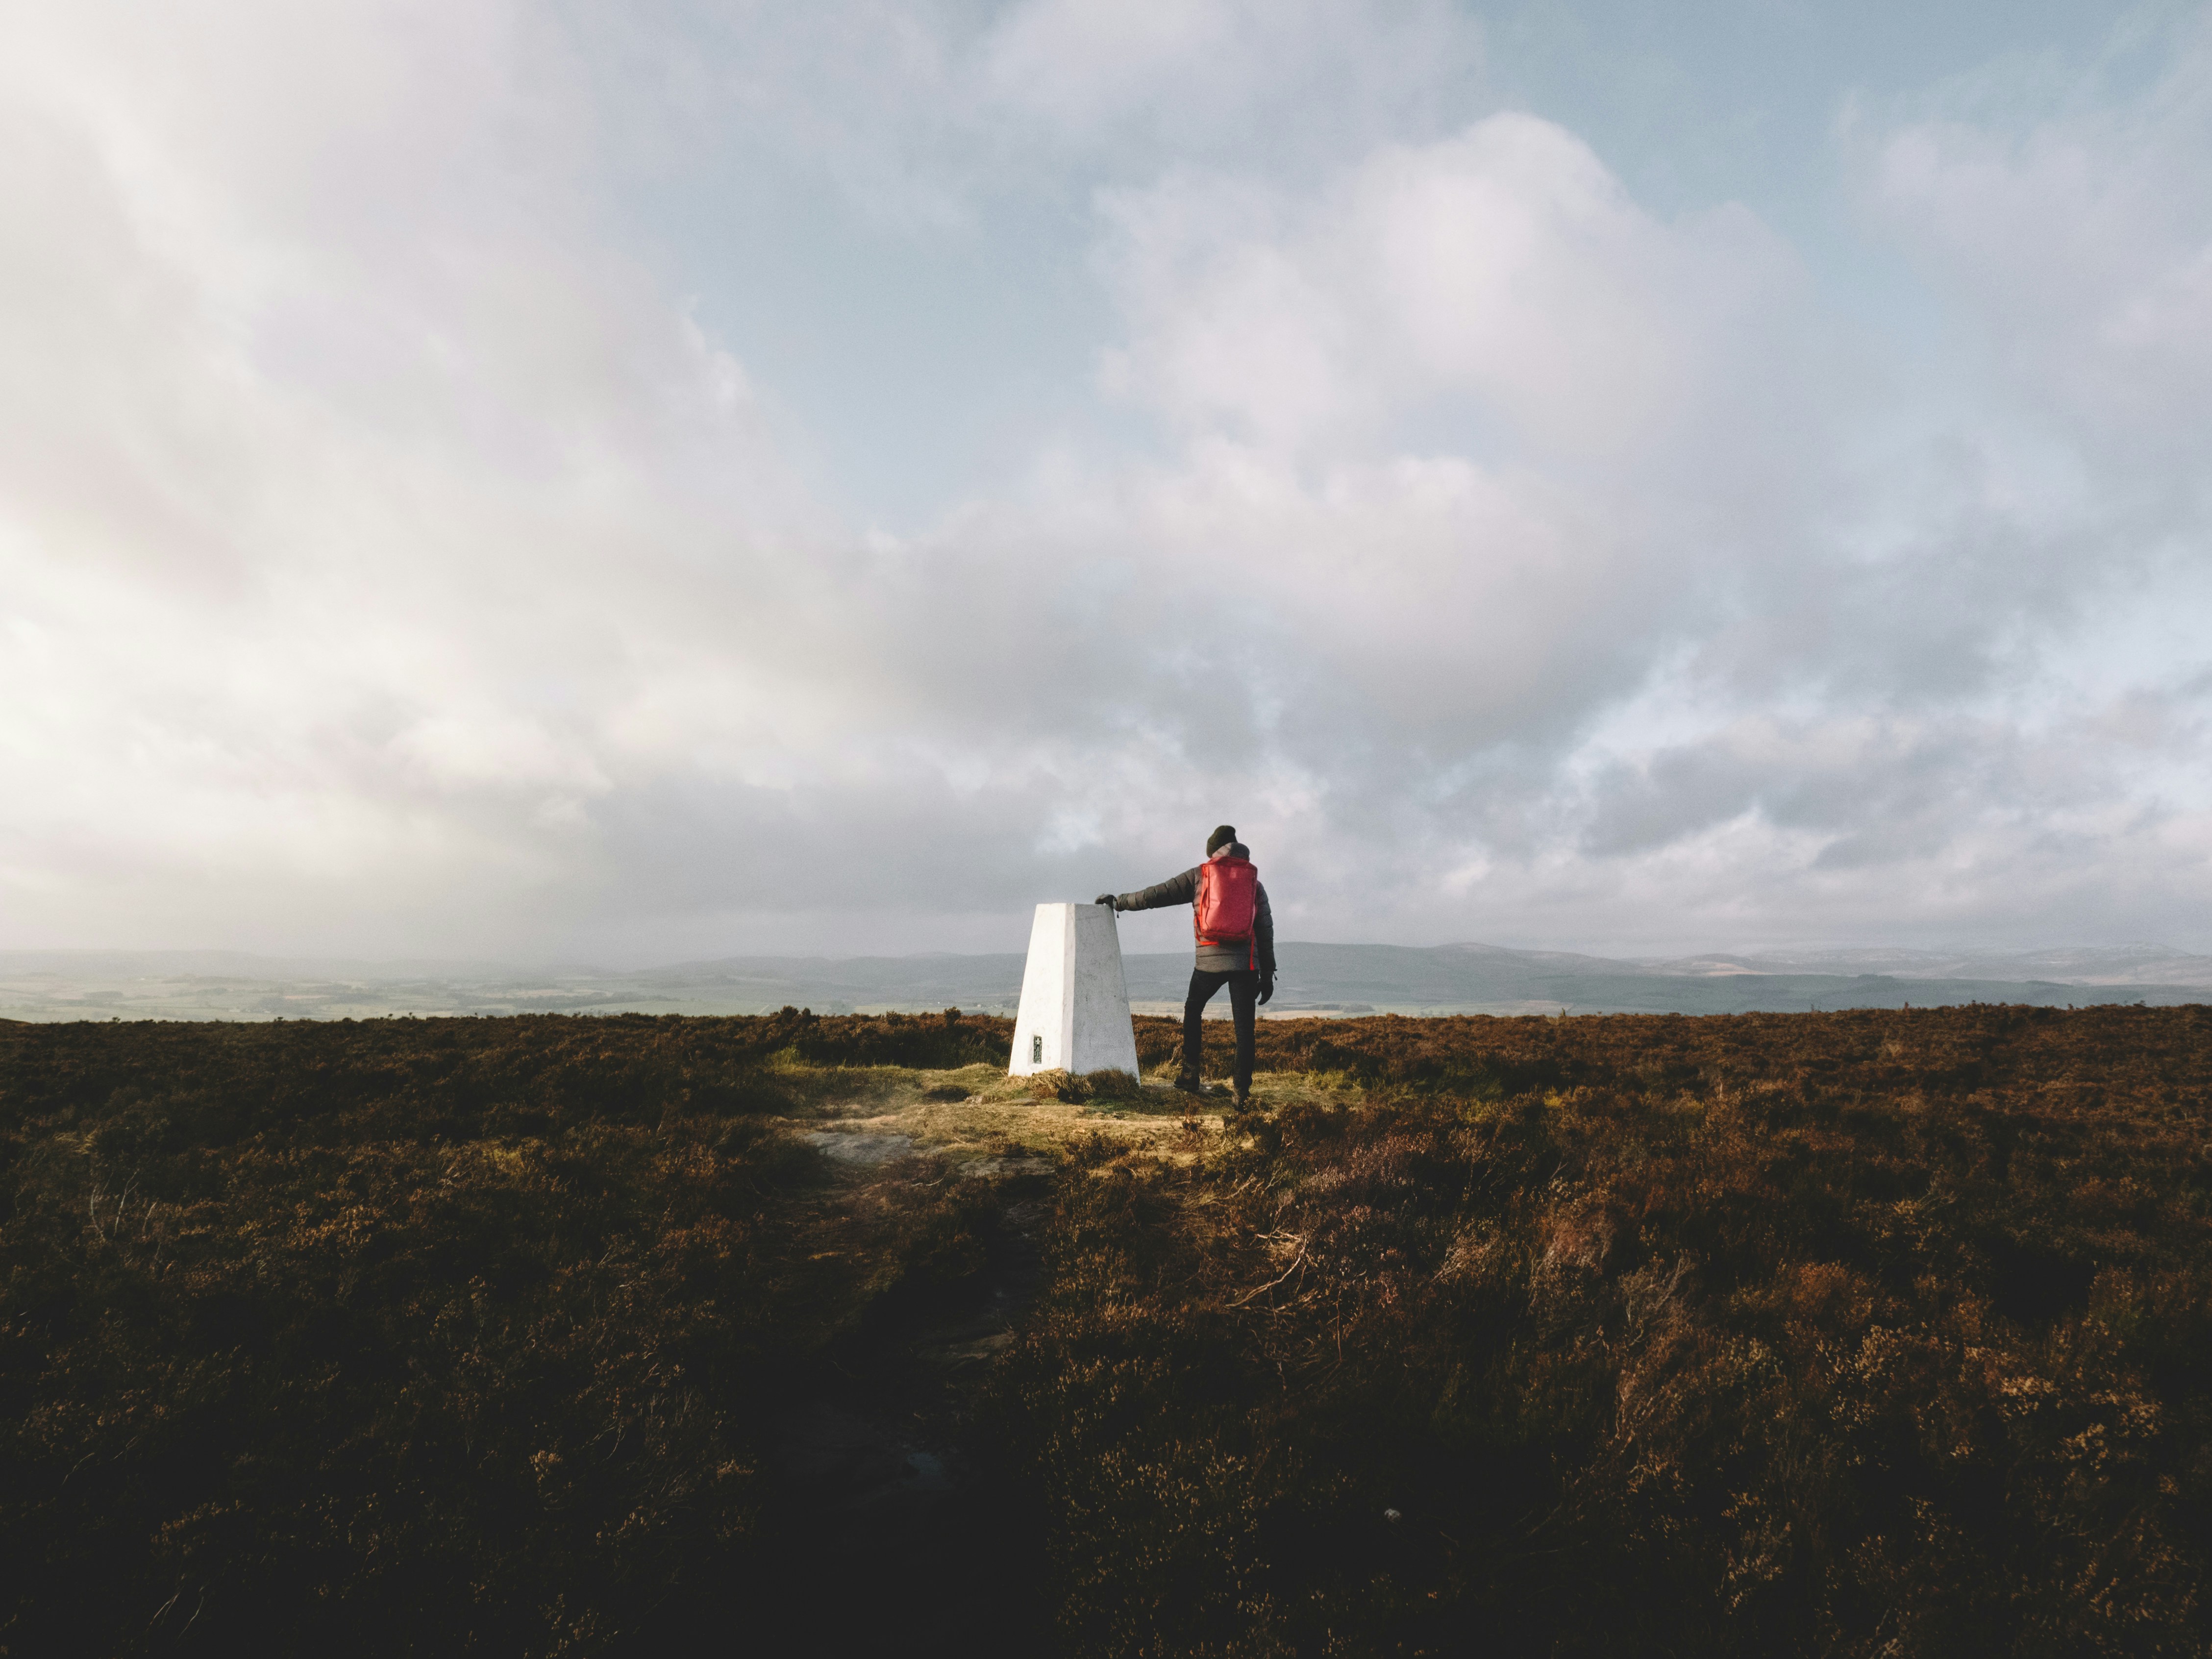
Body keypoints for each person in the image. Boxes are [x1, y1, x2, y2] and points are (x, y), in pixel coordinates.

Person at [1096, 824, 1276, 1107]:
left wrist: (1119, 902)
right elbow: (1265, 930)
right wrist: (1267, 974)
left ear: (1212, 851)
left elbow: (1156, 895)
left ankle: (1190, 1073)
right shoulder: (1254, 882)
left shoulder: (1199, 876)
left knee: (1194, 1009)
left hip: (1208, 961)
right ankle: (1241, 1093)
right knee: (1245, 1030)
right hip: (1246, 965)